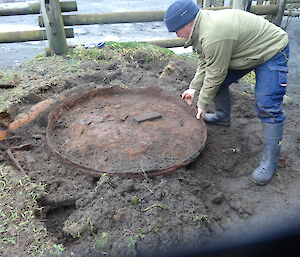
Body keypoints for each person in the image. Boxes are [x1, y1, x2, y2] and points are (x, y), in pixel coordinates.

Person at [164, 0, 289, 185]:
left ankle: (269, 162)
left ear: (187, 23)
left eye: (176, 30)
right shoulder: (199, 30)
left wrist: (202, 105)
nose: (176, 35)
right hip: (244, 51)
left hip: (271, 51)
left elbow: (215, 74)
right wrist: (193, 87)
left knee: (267, 105)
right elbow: (205, 62)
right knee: (216, 83)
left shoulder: (213, 35)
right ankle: (223, 117)